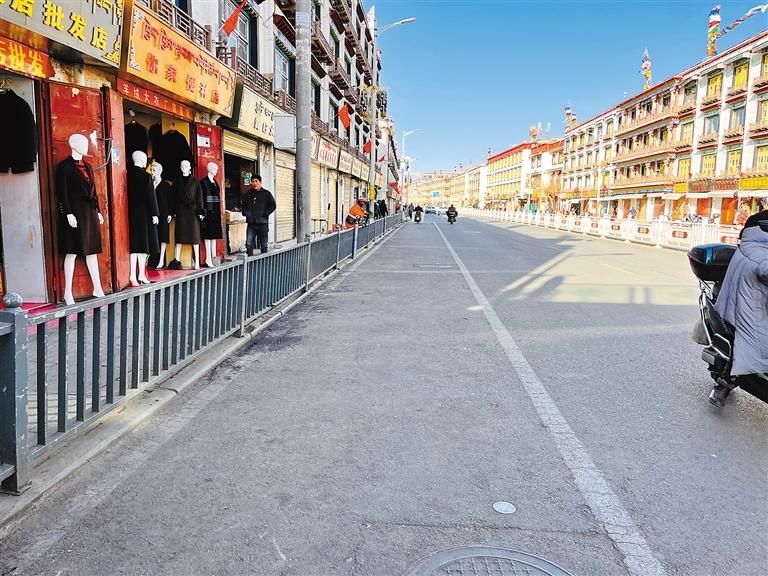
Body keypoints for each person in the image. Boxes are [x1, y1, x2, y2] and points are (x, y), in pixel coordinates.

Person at [711, 221, 768, 405]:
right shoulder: (757, 249)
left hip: (755, 299)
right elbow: (763, 265)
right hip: (743, 308)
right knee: (756, 340)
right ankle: (725, 383)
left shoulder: (756, 238)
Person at [242, 175, 276, 255]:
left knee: (263, 245)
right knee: (249, 244)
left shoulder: (266, 194)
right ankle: (250, 261)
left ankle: (264, 261)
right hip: (251, 224)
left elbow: (273, 205)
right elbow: (243, 206)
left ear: (260, 182)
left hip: (262, 223)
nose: (254, 183)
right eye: (253, 181)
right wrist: (246, 213)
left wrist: (265, 214)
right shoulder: (248, 194)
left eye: (256, 181)